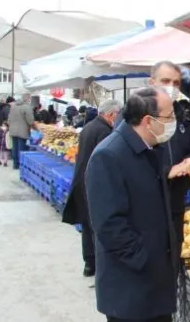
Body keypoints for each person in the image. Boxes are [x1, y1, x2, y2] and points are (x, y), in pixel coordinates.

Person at [86, 87, 189, 322]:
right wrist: (146, 261)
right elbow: (109, 226)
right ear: (147, 121)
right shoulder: (109, 156)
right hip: (131, 290)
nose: (174, 121)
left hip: (154, 284)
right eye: (169, 116)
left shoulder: (148, 150)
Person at [115, 61, 190, 254]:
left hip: (175, 203)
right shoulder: (133, 118)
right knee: (152, 259)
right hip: (146, 209)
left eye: (176, 83)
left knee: (173, 256)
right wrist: (165, 172)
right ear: (152, 82)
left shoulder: (182, 117)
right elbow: (126, 163)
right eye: (165, 81)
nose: (171, 87)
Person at [61, 99, 122, 277]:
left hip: (82, 178)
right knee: (98, 224)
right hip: (94, 183)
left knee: (87, 225)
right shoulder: (105, 131)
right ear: (111, 114)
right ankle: (101, 264)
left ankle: (89, 264)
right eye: (117, 115)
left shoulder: (89, 127)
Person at [8, 93, 36, 170]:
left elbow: (9, 120)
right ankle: (21, 165)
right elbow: (30, 121)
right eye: (30, 98)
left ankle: (15, 164)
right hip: (23, 130)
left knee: (15, 147)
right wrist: (35, 128)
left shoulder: (13, 107)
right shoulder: (27, 107)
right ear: (27, 99)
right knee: (22, 148)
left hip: (13, 130)